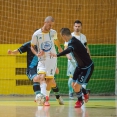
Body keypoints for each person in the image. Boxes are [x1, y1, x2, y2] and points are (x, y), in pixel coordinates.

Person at [50, 28, 94, 108]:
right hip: (79, 66)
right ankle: (85, 92)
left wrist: (57, 55)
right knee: (73, 84)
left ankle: (80, 101)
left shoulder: (73, 42)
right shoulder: (71, 41)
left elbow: (69, 50)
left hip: (87, 67)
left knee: (76, 86)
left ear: (63, 36)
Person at [31, 16, 64, 106]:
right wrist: (37, 54)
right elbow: (32, 46)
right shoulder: (36, 34)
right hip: (42, 59)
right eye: (49, 25)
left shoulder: (53, 32)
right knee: (41, 77)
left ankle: (46, 98)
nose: (51, 27)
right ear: (45, 22)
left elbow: (56, 40)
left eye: (52, 25)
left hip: (52, 59)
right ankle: (44, 98)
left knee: (50, 80)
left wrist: (60, 48)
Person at [65, 20, 91, 100]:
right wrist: (68, 56)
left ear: (81, 27)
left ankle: (82, 93)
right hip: (72, 60)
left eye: (79, 26)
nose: (77, 28)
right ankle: (71, 92)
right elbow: (65, 48)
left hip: (82, 61)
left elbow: (86, 47)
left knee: (81, 77)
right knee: (71, 78)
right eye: (76, 26)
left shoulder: (83, 37)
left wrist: (89, 56)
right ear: (73, 27)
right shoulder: (70, 36)